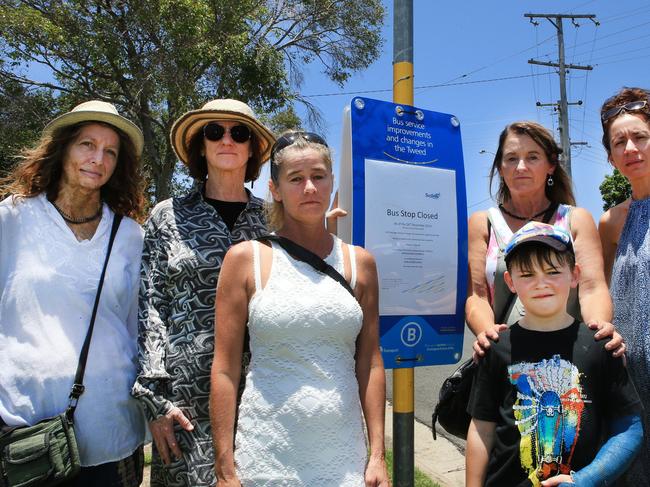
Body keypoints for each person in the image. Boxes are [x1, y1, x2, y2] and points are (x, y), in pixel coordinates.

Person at [210, 132, 390, 486]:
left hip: (342, 455)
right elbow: (225, 369)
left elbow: (369, 362)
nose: (310, 188)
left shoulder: (360, 264)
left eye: (319, 176)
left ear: (331, 181)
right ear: (275, 189)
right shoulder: (246, 260)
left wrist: (378, 456)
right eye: (296, 178)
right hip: (266, 452)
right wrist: (225, 469)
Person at [0, 100, 147, 486]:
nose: (97, 158)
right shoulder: (13, 218)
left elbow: (137, 329)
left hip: (112, 430)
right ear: (63, 147)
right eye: (87, 144)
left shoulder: (130, 236)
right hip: (27, 434)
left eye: (110, 151)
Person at [132, 99, 275, 486]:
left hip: (262, 391)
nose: (226, 140)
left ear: (252, 149)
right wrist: (155, 401)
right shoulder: (167, 216)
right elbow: (150, 306)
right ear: (200, 146)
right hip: (183, 397)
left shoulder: (273, 220)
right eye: (215, 131)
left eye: (239, 132)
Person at [466, 222, 643, 487]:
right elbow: (481, 429)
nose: (541, 283)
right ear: (510, 281)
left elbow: (630, 428)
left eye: (552, 271)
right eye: (526, 275)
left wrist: (586, 480)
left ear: (574, 275)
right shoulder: (496, 346)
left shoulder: (600, 346)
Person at [466, 121, 623, 357]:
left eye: (532, 157)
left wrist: (597, 332)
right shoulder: (483, 223)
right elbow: (477, 296)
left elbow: (592, 288)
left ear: (550, 166)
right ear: (499, 167)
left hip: (570, 356)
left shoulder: (576, 219)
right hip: (506, 356)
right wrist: (489, 336)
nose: (521, 166)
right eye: (511, 158)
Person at [598, 87, 650, 485]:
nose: (630, 148)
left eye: (640, 137)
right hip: (627, 378)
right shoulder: (611, 222)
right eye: (620, 141)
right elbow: (597, 292)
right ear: (611, 155)